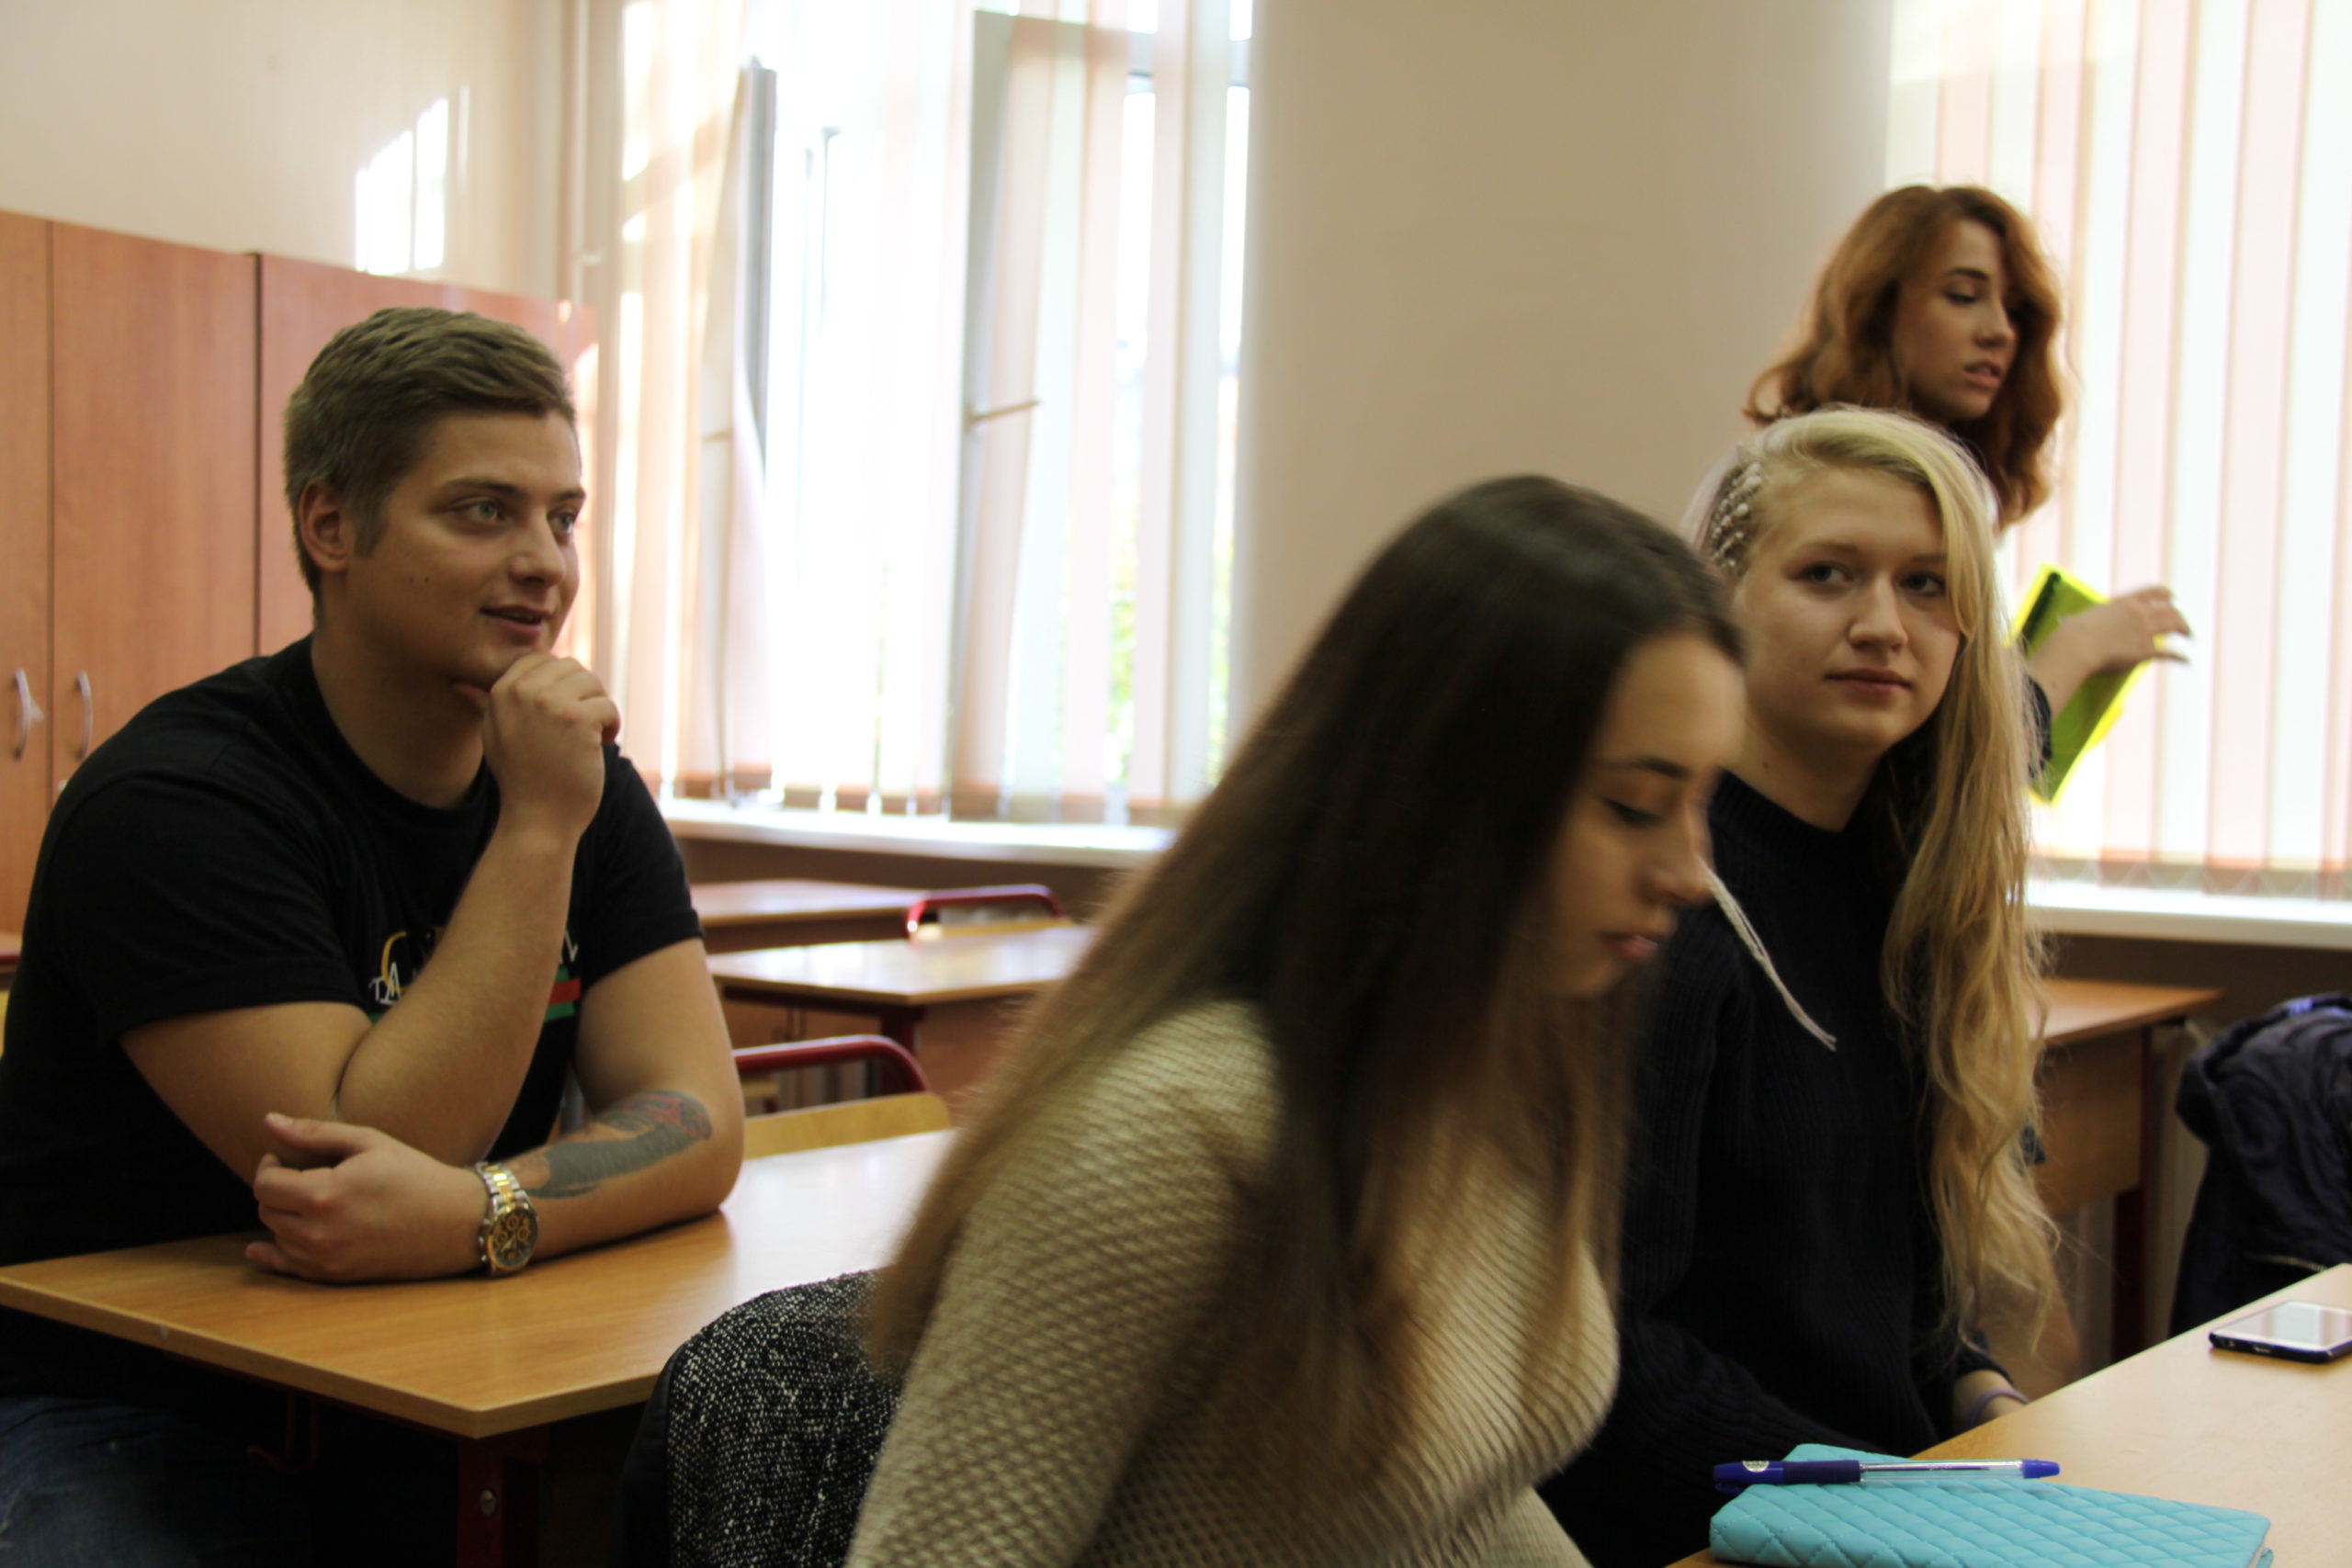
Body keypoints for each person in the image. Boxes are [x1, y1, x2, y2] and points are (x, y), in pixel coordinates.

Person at [844, 478, 1745, 1566]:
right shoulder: (1163, 1142)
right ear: (1449, 788)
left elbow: (1466, 1500)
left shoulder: (1477, 1081)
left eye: (1701, 803)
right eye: (1635, 806)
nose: (1691, 870)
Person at [0, 307, 744, 1564]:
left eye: (562, 517)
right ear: (330, 526)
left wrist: (482, 1212)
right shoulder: (179, 799)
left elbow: (698, 1118)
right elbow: (370, 1150)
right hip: (124, 1399)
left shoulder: (576, 781)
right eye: (482, 511)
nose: (545, 564)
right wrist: (535, 832)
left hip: (428, 1362)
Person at [1537, 409, 2060, 1568]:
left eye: (1926, 585)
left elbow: (1876, 1285)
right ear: (1718, 598)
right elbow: (1602, 1364)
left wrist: (1978, 1391)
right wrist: (1907, 1508)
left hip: (1871, 1505)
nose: (1883, 625)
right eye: (1828, 574)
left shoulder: (1906, 893)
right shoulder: (1662, 907)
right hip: (1707, 1530)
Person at [1747, 184, 2188, 720]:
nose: (2000, 332)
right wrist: (2077, 649)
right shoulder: (1798, 479)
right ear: (1878, 309)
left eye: (2015, 310)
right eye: (1962, 295)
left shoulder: (1962, 487)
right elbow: (1931, 748)